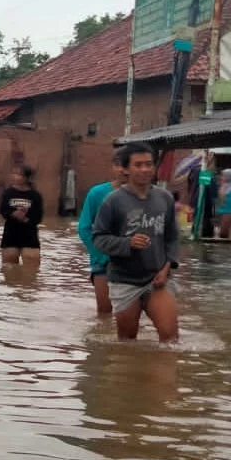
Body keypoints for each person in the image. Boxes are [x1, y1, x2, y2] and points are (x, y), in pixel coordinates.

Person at [92, 142, 180, 343]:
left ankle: (165, 372)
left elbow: (172, 237)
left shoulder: (164, 198)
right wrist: (127, 243)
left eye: (149, 164)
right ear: (125, 169)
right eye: (138, 165)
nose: (145, 170)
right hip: (124, 280)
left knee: (170, 337)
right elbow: (98, 237)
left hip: (157, 279)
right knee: (127, 340)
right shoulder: (112, 201)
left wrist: (166, 268)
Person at [78, 148, 128, 315]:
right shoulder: (97, 193)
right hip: (103, 263)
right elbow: (84, 228)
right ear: (112, 167)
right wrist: (100, 254)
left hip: (135, 263)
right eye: (118, 165)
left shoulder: (146, 195)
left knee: (131, 315)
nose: (122, 169)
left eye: (126, 165)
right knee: (105, 314)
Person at [0, 166, 44, 265]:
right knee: (9, 270)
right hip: (10, 235)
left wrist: (25, 218)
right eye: (14, 174)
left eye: (19, 175)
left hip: (29, 236)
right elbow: (3, 210)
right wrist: (14, 214)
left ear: (27, 178)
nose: (15, 177)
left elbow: (38, 216)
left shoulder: (35, 195)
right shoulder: (8, 193)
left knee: (31, 270)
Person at [216, 168, 231, 239]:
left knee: (224, 233)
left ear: (229, 177)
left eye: (224, 176)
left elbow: (223, 198)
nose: (222, 177)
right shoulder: (224, 186)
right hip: (222, 210)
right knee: (222, 233)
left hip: (228, 211)